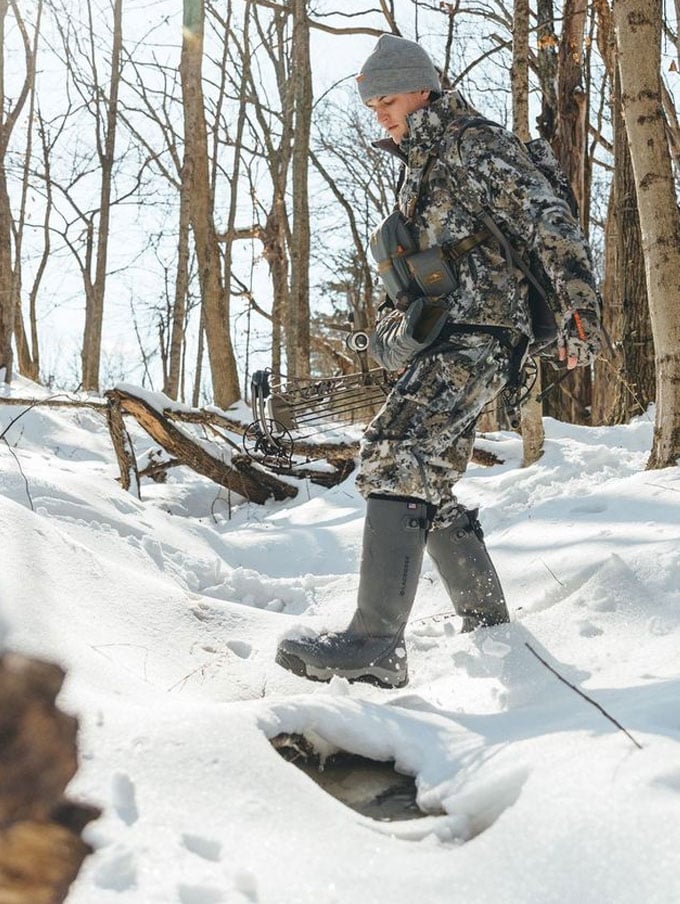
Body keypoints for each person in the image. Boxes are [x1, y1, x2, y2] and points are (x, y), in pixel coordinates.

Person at [276, 34, 601, 688]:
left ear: (421, 88)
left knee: (395, 451)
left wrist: (579, 309)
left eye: (388, 100)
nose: (381, 115)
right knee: (427, 475)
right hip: (456, 332)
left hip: (478, 331)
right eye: (372, 107)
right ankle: (489, 629)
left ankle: (376, 644)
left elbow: (550, 219)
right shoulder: (424, 156)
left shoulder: (472, 145)